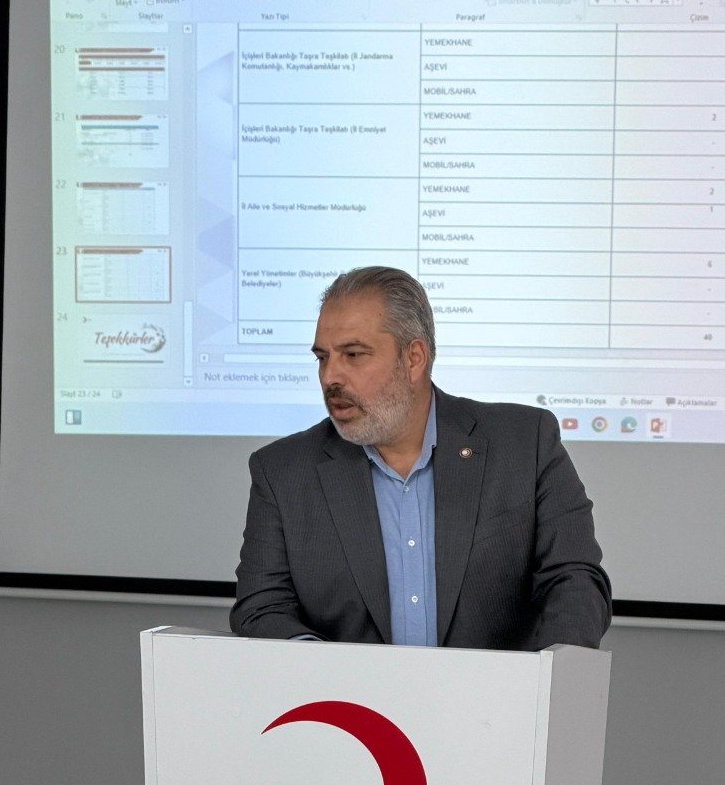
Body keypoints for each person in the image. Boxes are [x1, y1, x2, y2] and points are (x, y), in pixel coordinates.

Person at [230, 266, 611, 650]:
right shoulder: (282, 472)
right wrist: (328, 669)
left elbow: (575, 580)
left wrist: (548, 674)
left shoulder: (525, 444)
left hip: (498, 688)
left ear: (414, 358)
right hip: (347, 690)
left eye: (353, 355)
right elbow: (261, 606)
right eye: (323, 358)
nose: (331, 377)